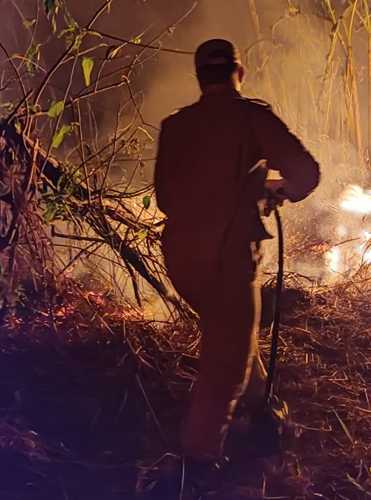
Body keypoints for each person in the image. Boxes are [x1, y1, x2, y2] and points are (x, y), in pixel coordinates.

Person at [149, 38, 320, 492]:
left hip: (181, 260)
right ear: (238, 73)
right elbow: (305, 173)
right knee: (225, 367)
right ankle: (196, 465)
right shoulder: (251, 116)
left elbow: (165, 199)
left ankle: (264, 414)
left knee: (233, 337)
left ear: (201, 78)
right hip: (229, 259)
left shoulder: (176, 124)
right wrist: (272, 192)